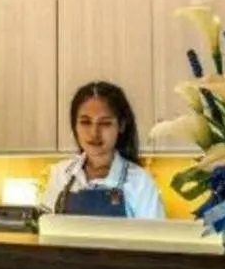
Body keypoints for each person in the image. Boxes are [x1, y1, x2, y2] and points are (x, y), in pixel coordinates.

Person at [42, 81, 166, 219]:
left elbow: (154, 233)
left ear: (121, 125)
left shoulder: (140, 182)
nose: (94, 133)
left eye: (105, 123)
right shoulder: (60, 175)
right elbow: (44, 227)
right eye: (85, 122)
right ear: (74, 126)